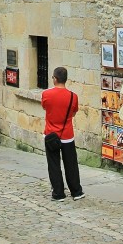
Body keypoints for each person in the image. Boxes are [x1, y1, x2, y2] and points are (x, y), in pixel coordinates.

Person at [42, 66, 84, 201]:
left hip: (50, 134)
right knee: (71, 164)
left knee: (53, 164)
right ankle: (76, 191)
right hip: (67, 135)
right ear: (66, 80)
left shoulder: (46, 94)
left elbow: (45, 107)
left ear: (55, 78)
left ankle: (58, 193)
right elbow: (73, 112)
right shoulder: (73, 96)